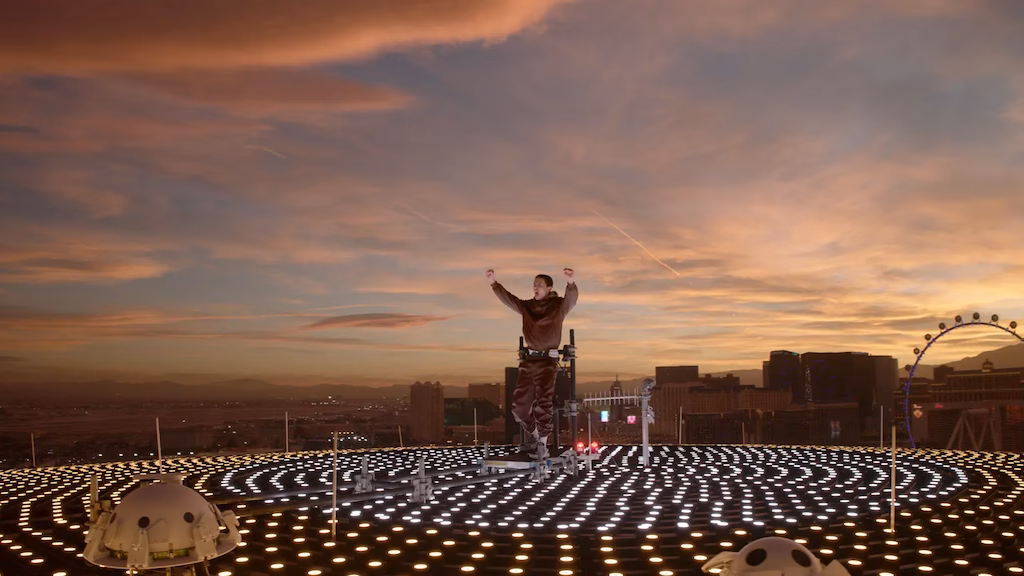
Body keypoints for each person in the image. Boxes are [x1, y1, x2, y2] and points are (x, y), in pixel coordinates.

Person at [487, 267, 578, 460]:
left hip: (547, 361)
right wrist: (494, 283)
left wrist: (570, 283)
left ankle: (542, 445)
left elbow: (571, 300)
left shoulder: (557, 306)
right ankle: (536, 438)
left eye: (539, 284)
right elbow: (509, 299)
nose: (535, 287)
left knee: (543, 402)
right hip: (529, 361)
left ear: (549, 288)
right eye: (534, 284)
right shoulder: (527, 307)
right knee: (519, 407)